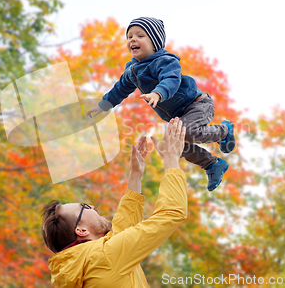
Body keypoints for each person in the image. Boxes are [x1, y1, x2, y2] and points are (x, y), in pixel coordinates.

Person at [86, 17, 235, 191]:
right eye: (129, 37)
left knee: (187, 132)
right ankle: (212, 164)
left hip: (198, 104)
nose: (132, 39)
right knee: (173, 144)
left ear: (155, 42)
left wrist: (158, 93)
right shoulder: (131, 71)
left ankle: (224, 131)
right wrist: (102, 107)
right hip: (179, 116)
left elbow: (170, 79)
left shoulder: (165, 61)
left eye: (140, 35)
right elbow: (119, 90)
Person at [42, 118, 188, 287]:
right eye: (85, 207)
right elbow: (172, 214)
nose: (93, 207)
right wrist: (171, 159)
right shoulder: (105, 256)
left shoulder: (80, 265)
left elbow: (120, 232)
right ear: (81, 230)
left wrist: (135, 175)